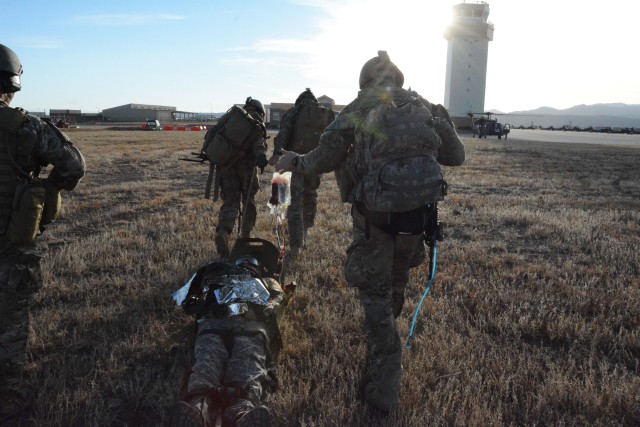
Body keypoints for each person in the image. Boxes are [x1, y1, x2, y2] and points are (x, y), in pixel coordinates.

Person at [276, 51, 465, 414]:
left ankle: (384, 387)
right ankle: (381, 354)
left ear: (365, 80)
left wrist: (293, 161)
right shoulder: (422, 104)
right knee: (393, 288)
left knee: (375, 300)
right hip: (416, 223)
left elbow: (322, 159)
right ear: (397, 76)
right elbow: (455, 157)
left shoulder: (358, 107)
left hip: (375, 223)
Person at [0, 44, 86, 422]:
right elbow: (74, 167)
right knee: (11, 323)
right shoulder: (27, 128)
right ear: (13, 82)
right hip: (11, 242)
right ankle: (6, 397)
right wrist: (42, 192)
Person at [169, 238, 293, 427]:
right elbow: (198, 297)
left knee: (249, 364)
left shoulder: (267, 282)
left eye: (250, 264)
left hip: (250, 327)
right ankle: (198, 409)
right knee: (207, 360)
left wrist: (263, 309)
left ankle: (241, 414)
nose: (245, 265)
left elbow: (278, 297)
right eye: (242, 262)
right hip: (215, 324)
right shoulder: (221, 276)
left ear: (259, 269)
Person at [268, 89, 335, 262]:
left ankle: (296, 244)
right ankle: (305, 230)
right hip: (314, 162)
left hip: (293, 162)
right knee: (311, 195)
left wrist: (276, 155)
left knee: (293, 203)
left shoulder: (293, 112)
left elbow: (282, 136)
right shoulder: (325, 114)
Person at [203, 97, 269, 258]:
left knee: (231, 202)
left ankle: (224, 232)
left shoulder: (233, 119)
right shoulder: (255, 123)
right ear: (261, 111)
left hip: (226, 168)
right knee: (248, 201)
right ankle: (245, 235)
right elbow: (258, 146)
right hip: (246, 170)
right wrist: (261, 158)